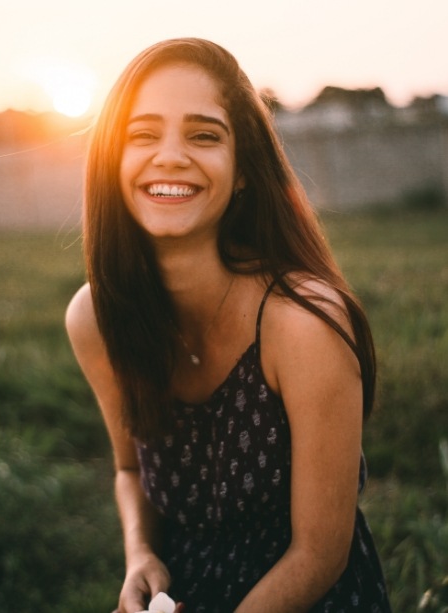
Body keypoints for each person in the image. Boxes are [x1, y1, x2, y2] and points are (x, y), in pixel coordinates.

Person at [65, 37, 392, 612]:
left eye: (204, 135)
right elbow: (127, 467)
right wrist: (141, 555)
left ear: (242, 171)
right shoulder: (97, 317)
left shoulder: (303, 323)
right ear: (113, 162)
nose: (170, 156)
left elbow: (320, 552)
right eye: (143, 135)